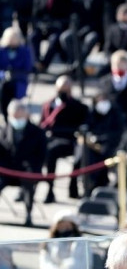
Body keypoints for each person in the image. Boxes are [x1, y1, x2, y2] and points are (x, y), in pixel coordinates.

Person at [39, 75, 88, 203]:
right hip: (49, 140)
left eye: (66, 89)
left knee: (52, 151)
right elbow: (41, 125)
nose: (63, 92)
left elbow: (81, 126)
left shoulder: (78, 107)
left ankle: (60, 189)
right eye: (61, 89)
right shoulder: (47, 105)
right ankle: (29, 187)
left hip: (68, 142)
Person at [0, 100, 47, 226]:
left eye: (19, 117)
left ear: (26, 115)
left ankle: (28, 215)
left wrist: (33, 170)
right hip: (6, 171)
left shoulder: (37, 132)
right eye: (14, 117)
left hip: (28, 171)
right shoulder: (3, 131)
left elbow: (41, 156)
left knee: (28, 184)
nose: (17, 120)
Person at [71, 93, 124, 197]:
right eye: (100, 100)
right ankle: (87, 187)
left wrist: (100, 140)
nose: (102, 103)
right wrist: (91, 139)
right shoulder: (91, 113)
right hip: (90, 146)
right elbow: (84, 128)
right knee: (83, 155)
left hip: (109, 146)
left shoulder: (115, 113)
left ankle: (99, 186)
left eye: (104, 100)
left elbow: (117, 133)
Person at [60, 0, 103, 71]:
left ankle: (77, 65)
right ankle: (76, 64)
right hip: (79, 27)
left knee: (90, 39)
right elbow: (73, 13)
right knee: (65, 37)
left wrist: (91, 27)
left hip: (94, 28)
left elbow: (101, 16)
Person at [30, 0, 72, 73]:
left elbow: (66, 13)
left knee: (54, 40)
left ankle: (44, 64)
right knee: (33, 36)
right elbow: (35, 14)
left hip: (57, 27)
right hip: (42, 26)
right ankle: (36, 62)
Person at [0, 27, 33, 118]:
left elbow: (27, 68)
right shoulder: (1, 51)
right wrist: (3, 75)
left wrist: (14, 74)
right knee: (4, 87)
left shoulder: (24, 51)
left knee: (12, 87)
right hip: (3, 81)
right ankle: (5, 115)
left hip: (19, 80)